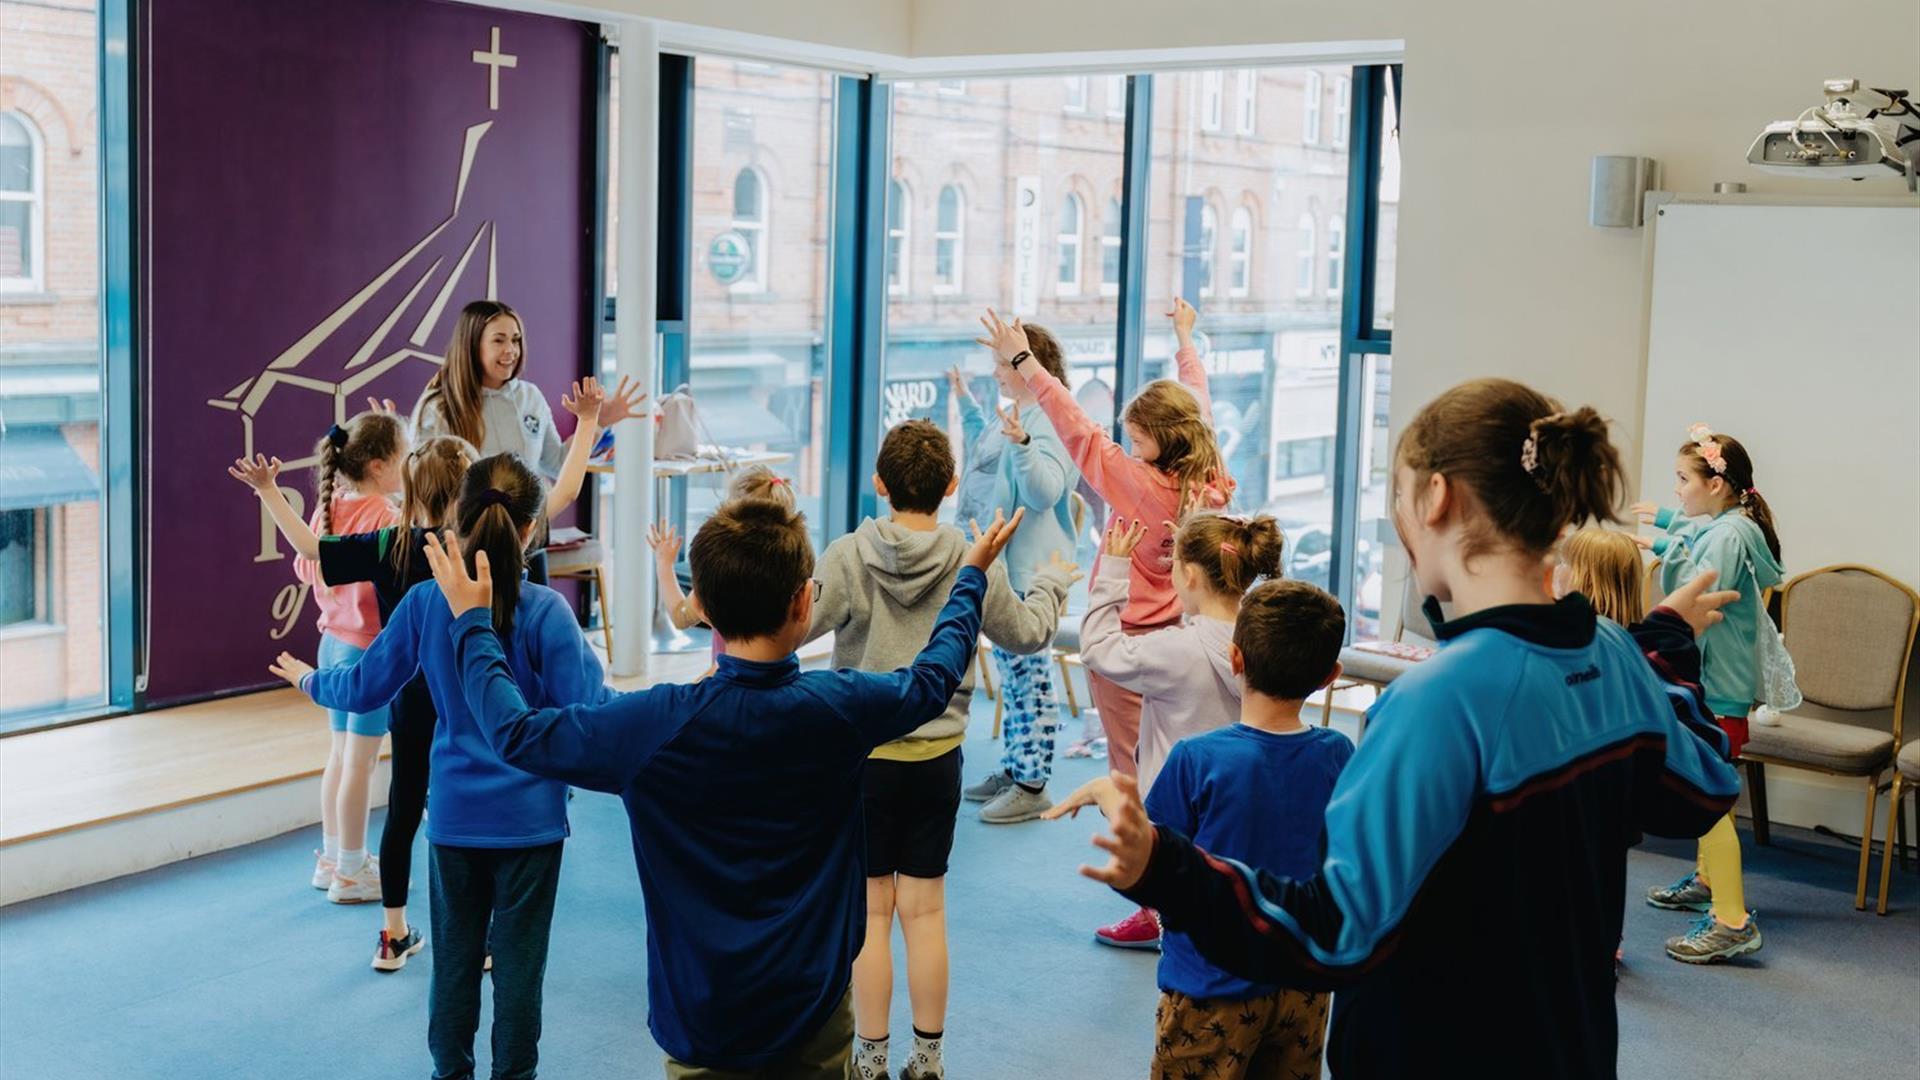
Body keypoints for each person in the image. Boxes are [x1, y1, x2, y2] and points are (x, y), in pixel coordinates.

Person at [1050, 379, 1744, 1078]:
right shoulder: (1615, 655)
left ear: (1436, 499)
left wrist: (1165, 868)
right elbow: (1702, 788)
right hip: (1574, 1048)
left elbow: (1335, 932)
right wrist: (1664, 646)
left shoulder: (1436, 702)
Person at [428, 496, 1025, 1078]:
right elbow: (932, 679)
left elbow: (514, 732)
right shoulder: (840, 709)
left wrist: (475, 625)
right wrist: (969, 575)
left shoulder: (650, 727)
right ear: (801, 604)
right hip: (813, 1013)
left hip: (701, 1020)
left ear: (704, 608)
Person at [270, 453, 611, 1080]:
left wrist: (311, 680)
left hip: (453, 821)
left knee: (453, 966)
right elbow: (596, 713)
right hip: (532, 826)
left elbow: (366, 687)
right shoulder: (547, 613)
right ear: (531, 531)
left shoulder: (428, 603)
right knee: (518, 971)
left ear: (455, 518)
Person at [805, 420, 1076, 1080]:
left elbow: (794, 626)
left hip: (864, 761)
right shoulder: (968, 555)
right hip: (938, 760)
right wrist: (1051, 582)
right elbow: (1029, 633)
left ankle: (869, 1060)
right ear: (953, 486)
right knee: (924, 912)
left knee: (871, 910)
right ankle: (927, 1058)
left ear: (879, 484)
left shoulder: (845, 553)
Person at [977, 298, 1232, 949]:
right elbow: (1197, 396)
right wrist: (1184, 340)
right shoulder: (1208, 473)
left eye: (1139, 437)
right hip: (1185, 649)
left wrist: (1024, 361)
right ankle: (1192, 890)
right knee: (1182, 773)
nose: (1129, 445)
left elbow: (1077, 429)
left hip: (1130, 651)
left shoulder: (1144, 488)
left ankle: (1154, 904)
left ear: (1161, 442)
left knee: (1132, 780)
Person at [1050, 577, 1353, 1080]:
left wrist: (1111, 798)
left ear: (1236, 659)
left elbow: (1154, 865)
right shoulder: (1339, 753)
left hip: (1210, 990)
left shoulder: (1197, 759)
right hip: (1305, 984)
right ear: (1331, 676)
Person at [1076, 512, 1285, 949]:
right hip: (1241, 794)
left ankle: (1162, 919)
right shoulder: (1263, 638)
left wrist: (1115, 567)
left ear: (1189, 575)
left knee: (1185, 902)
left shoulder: (1174, 649)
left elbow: (1097, 649)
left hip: (1178, 804)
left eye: (1172, 566)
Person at [1632, 423, 1784, 963]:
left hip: (1719, 688)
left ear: (1715, 485)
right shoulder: (1735, 524)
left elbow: (1697, 587)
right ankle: (1706, 880)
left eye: (1682, 481)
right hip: (1725, 684)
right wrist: (1670, 525)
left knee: (1711, 804)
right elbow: (1704, 544)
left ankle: (1732, 922)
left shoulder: (1727, 534)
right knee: (1706, 787)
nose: (1676, 489)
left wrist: (1660, 546)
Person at [948, 325, 1083, 824]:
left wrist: (1025, 442)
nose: (997, 372)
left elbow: (1045, 491)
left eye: (1004, 363)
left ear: (1030, 364)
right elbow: (989, 452)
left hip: (1032, 574)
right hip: (1003, 567)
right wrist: (965, 403)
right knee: (1013, 676)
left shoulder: (1054, 420)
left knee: (1031, 680)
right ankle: (1014, 768)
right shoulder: (1020, 415)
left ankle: (1033, 784)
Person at [411, 299, 646, 578]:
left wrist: (597, 422)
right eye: (499, 340)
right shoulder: (439, 407)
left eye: (516, 340)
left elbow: (557, 464)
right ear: (472, 344)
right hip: (466, 548)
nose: (510, 350)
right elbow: (425, 485)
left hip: (528, 542)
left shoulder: (530, 397)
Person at [289, 409, 405, 903]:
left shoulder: (330, 505)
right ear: (379, 466)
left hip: (331, 644)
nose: (408, 466)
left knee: (338, 758)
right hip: (367, 652)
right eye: (404, 457)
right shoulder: (385, 515)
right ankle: (354, 871)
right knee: (360, 765)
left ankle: (333, 857)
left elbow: (303, 566)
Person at [649, 463, 799, 676]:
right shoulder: (795, 567)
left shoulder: (722, 571)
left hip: (728, 683)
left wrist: (664, 565)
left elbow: (681, 616)